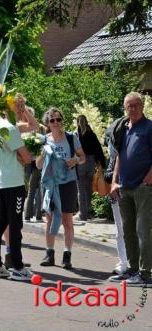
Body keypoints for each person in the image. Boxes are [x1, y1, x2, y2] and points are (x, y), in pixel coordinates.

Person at [109, 92, 152, 286]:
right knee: (128, 231)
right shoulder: (123, 128)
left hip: (143, 187)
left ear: (142, 107)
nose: (132, 109)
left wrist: (147, 180)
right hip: (124, 186)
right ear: (125, 108)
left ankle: (145, 274)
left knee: (143, 231)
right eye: (129, 106)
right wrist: (114, 181)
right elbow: (119, 156)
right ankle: (133, 269)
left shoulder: (149, 127)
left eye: (136, 105)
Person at [36, 108, 85, 269]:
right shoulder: (43, 140)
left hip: (68, 182)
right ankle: (49, 254)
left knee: (67, 219)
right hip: (50, 184)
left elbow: (83, 157)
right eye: (52, 120)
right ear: (47, 123)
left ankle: (67, 255)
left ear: (62, 121)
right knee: (49, 219)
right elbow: (38, 165)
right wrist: (42, 155)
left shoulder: (71, 138)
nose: (56, 123)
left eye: (58, 120)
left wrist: (75, 160)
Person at [0, 106, 33, 281]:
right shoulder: (10, 129)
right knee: (15, 225)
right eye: (19, 108)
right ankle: (17, 267)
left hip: (1, 180)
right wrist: (25, 157)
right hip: (13, 181)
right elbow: (27, 157)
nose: (22, 111)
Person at [104, 127, 129, 276]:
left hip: (136, 192)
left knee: (138, 230)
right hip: (117, 194)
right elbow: (108, 174)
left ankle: (138, 264)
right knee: (120, 231)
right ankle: (123, 262)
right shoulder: (115, 154)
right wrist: (114, 177)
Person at [75, 115, 106, 221]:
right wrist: (101, 163)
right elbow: (98, 148)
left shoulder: (76, 135)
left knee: (81, 189)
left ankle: (82, 214)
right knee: (88, 188)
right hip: (92, 162)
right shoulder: (92, 134)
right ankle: (87, 212)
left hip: (81, 162)